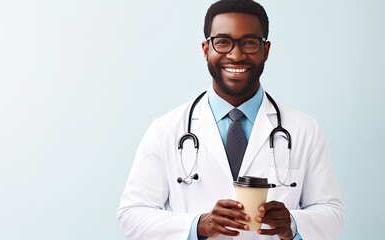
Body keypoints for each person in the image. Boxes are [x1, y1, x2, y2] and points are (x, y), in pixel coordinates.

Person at [116, 0, 345, 239]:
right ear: (206, 49)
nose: (236, 55)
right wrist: (197, 225)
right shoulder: (165, 130)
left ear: (265, 50)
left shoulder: (303, 129)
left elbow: (332, 214)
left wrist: (294, 223)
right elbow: (131, 215)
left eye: (249, 43)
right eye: (223, 42)